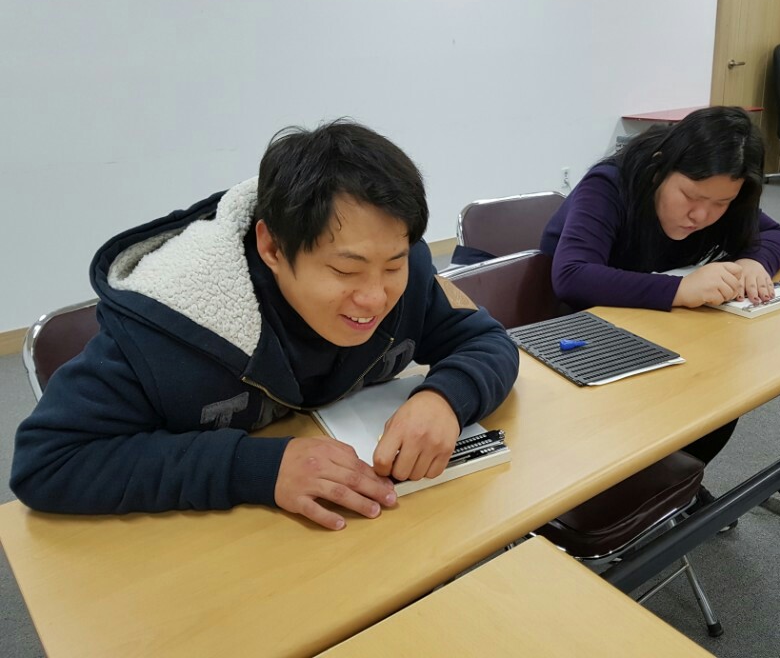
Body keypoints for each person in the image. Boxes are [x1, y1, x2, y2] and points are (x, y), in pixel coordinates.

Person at [11, 120, 520, 531]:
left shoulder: (408, 280)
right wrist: (255, 468)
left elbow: (487, 340)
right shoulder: (170, 325)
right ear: (272, 248)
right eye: (345, 270)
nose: (375, 297)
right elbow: (49, 462)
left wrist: (446, 398)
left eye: (393, 264)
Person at [540, 106, 780, 524]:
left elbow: (774, 234)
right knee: (668, 396)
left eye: (721, 203)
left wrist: (755, 261)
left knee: (720, 389)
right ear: (661, 167)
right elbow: (572, 276)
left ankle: (667, 485)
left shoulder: (725, 195)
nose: (701, 216)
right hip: (572, 331)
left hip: (650, 323)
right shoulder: (610, 184)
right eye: (690, 197)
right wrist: (680, 289)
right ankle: (629, 493)